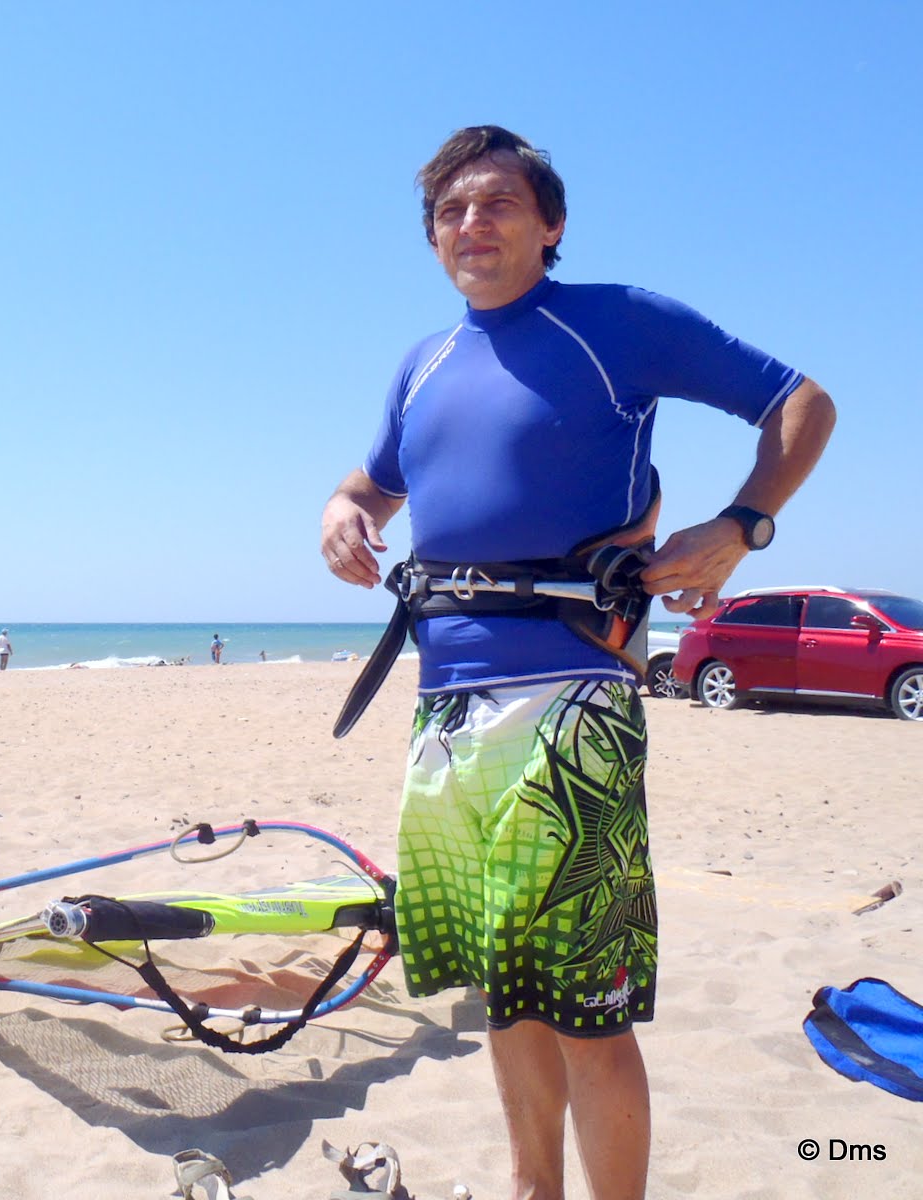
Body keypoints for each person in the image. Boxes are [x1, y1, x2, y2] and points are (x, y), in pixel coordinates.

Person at [320, 126, 834, 1200]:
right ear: (431, 238)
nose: (472, 223)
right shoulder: (422, 364)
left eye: (498, 203)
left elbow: (801, 401)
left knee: (584, 1008)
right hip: (444, 714)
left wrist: (741, 524)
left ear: (550, 225)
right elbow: (373, 486)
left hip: (567, 706)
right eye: (451, 211)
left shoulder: (616, 322)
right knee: (503, 991)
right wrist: (341, 510)